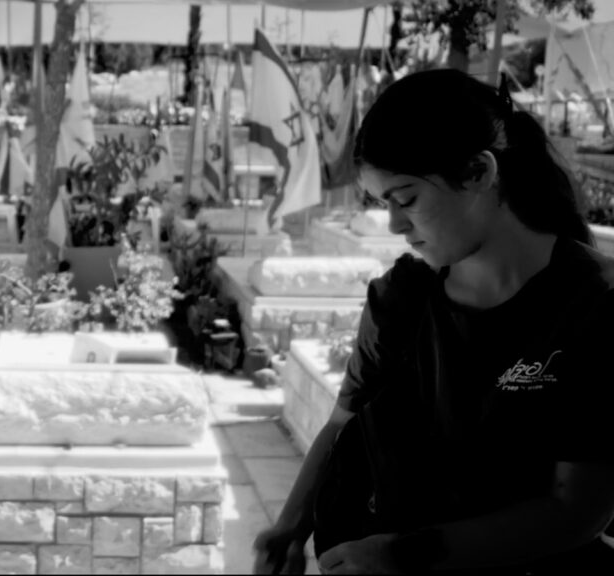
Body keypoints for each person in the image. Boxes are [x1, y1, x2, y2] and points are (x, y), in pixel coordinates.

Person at [252, 68, 614, 574]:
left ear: (479, 173)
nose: (396, 225)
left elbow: (578, 509)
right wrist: (290, 526)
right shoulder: (402, 299)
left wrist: (403, 555)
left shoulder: (593, 305)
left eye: (406, 200)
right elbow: (345, 420)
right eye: (384, 205)